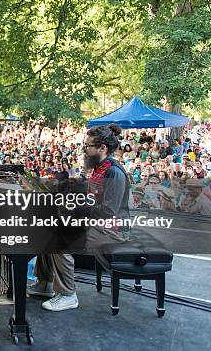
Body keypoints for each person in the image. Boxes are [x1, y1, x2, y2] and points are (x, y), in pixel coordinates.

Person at [28, 124, 130, 312]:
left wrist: (76, 210)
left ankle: (68, 295)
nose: (85, 150)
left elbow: (108, 211)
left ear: (102, 148)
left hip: (112, 230)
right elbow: (92, 200)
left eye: (88, 146)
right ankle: (45, 284)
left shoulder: (114, 172)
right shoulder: (100, 168)